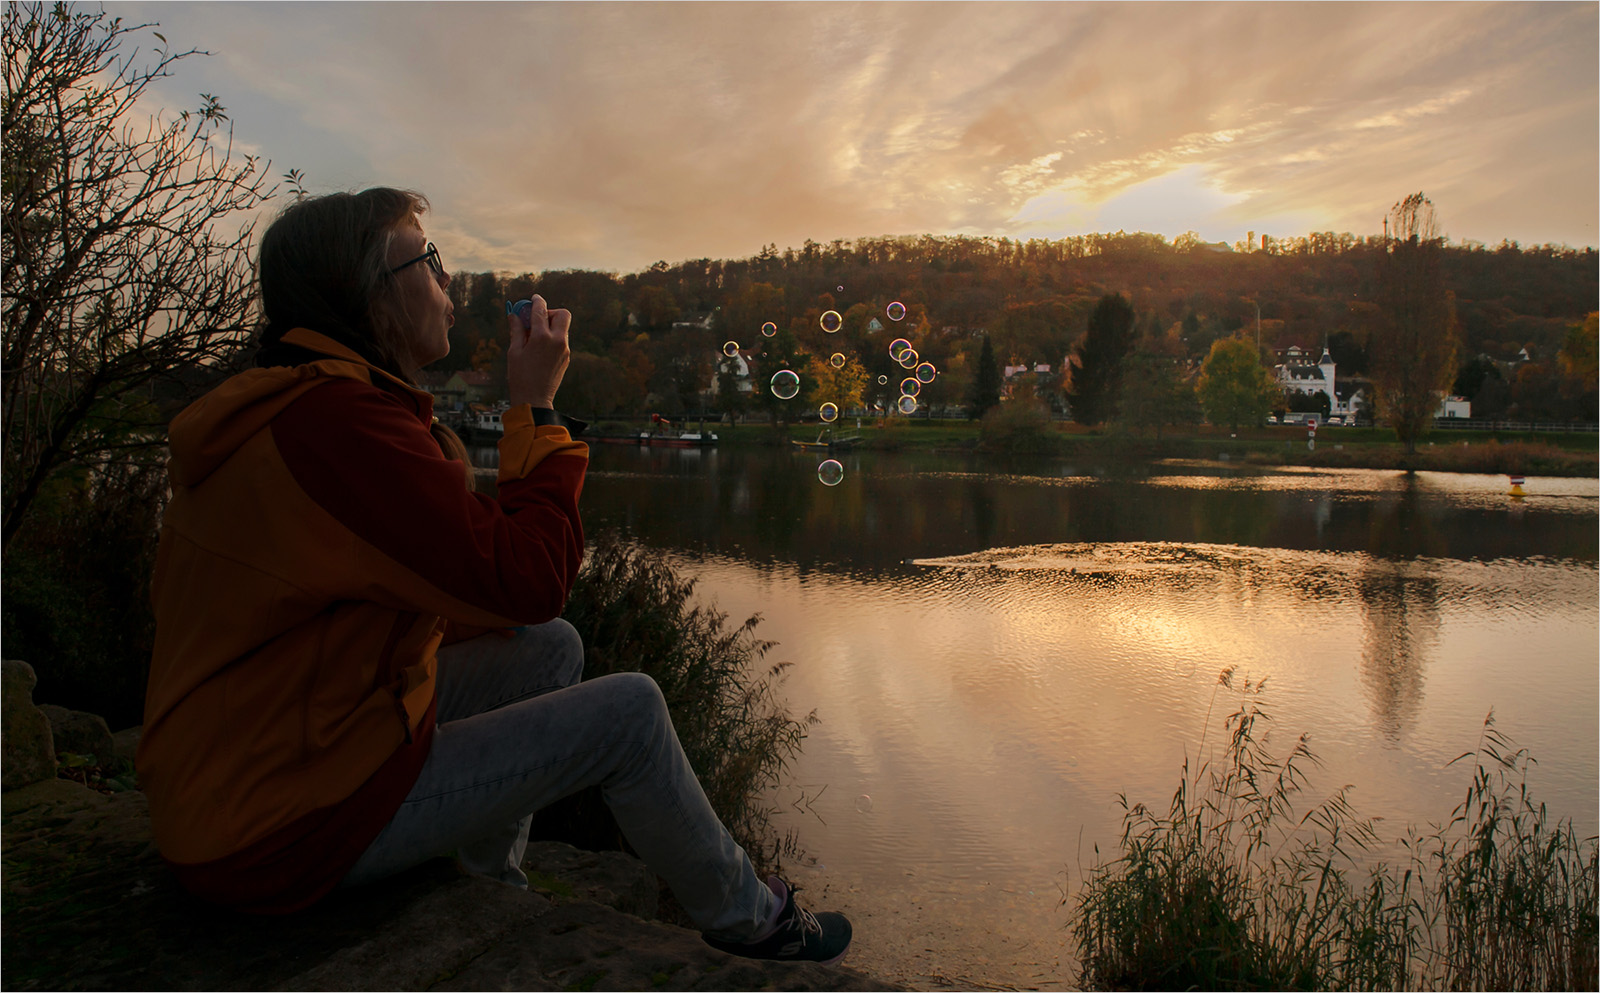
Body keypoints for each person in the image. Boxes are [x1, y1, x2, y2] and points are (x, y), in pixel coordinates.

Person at [135, 187, 851, 965]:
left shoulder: (309, 410)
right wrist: (537, 407)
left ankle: (488, 886)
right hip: (282, 824)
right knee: (631, 714)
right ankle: (755, 920)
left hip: (264, 766)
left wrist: (489, 584)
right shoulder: (336, 428)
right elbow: (529, 575)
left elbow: (474, 594)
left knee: (549, 646)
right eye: (430, 260)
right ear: (372, 296)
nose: (450, 281)